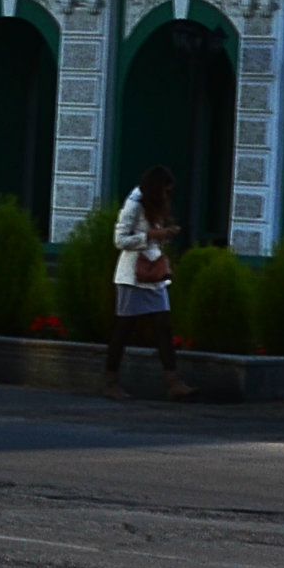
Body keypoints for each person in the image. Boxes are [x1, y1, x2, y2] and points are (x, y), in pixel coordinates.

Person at [107, 166, 191, 400]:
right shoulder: (134, 204)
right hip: (133, 275)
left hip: (154, 274)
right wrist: (152, 236)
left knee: (164, 326)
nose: (167, 196)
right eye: (164, 191)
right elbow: (120, 240)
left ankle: (173, 382)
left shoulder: (154, 206)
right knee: (124, 329)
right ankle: (110, 380)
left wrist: (163, 235)